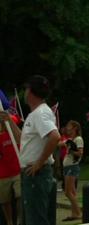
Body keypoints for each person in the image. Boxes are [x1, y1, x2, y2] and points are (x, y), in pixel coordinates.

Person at [0, 75, 61, 225]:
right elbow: (23, 140)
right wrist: (9, 121)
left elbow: (55, 136)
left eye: (26, 89)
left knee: (36, 220)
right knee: (31, 218)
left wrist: (39, 163)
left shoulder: (40, 114)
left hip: (36, 175)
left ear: (31, 92)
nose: (25, 92)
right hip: (33, 175)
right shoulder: (35, 114)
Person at [0, 116, 22, 225]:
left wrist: (8, 118)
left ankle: (19, 220)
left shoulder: (15, 135)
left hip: (17, 170)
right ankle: (9, 222)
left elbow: (16, 119)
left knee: (20, 195)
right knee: (4, 200)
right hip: (3, 173)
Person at [62, 120, 84, 221]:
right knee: (72, 192)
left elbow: (80, 153)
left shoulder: (78, 139)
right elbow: (59, 143)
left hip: (72, 167)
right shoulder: (70, 139)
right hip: (67, 167)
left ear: (75, 128)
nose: (67, 128)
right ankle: (74, 213)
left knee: (68, 192)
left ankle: (79, 212)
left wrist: (70, 151)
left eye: (69, 126)